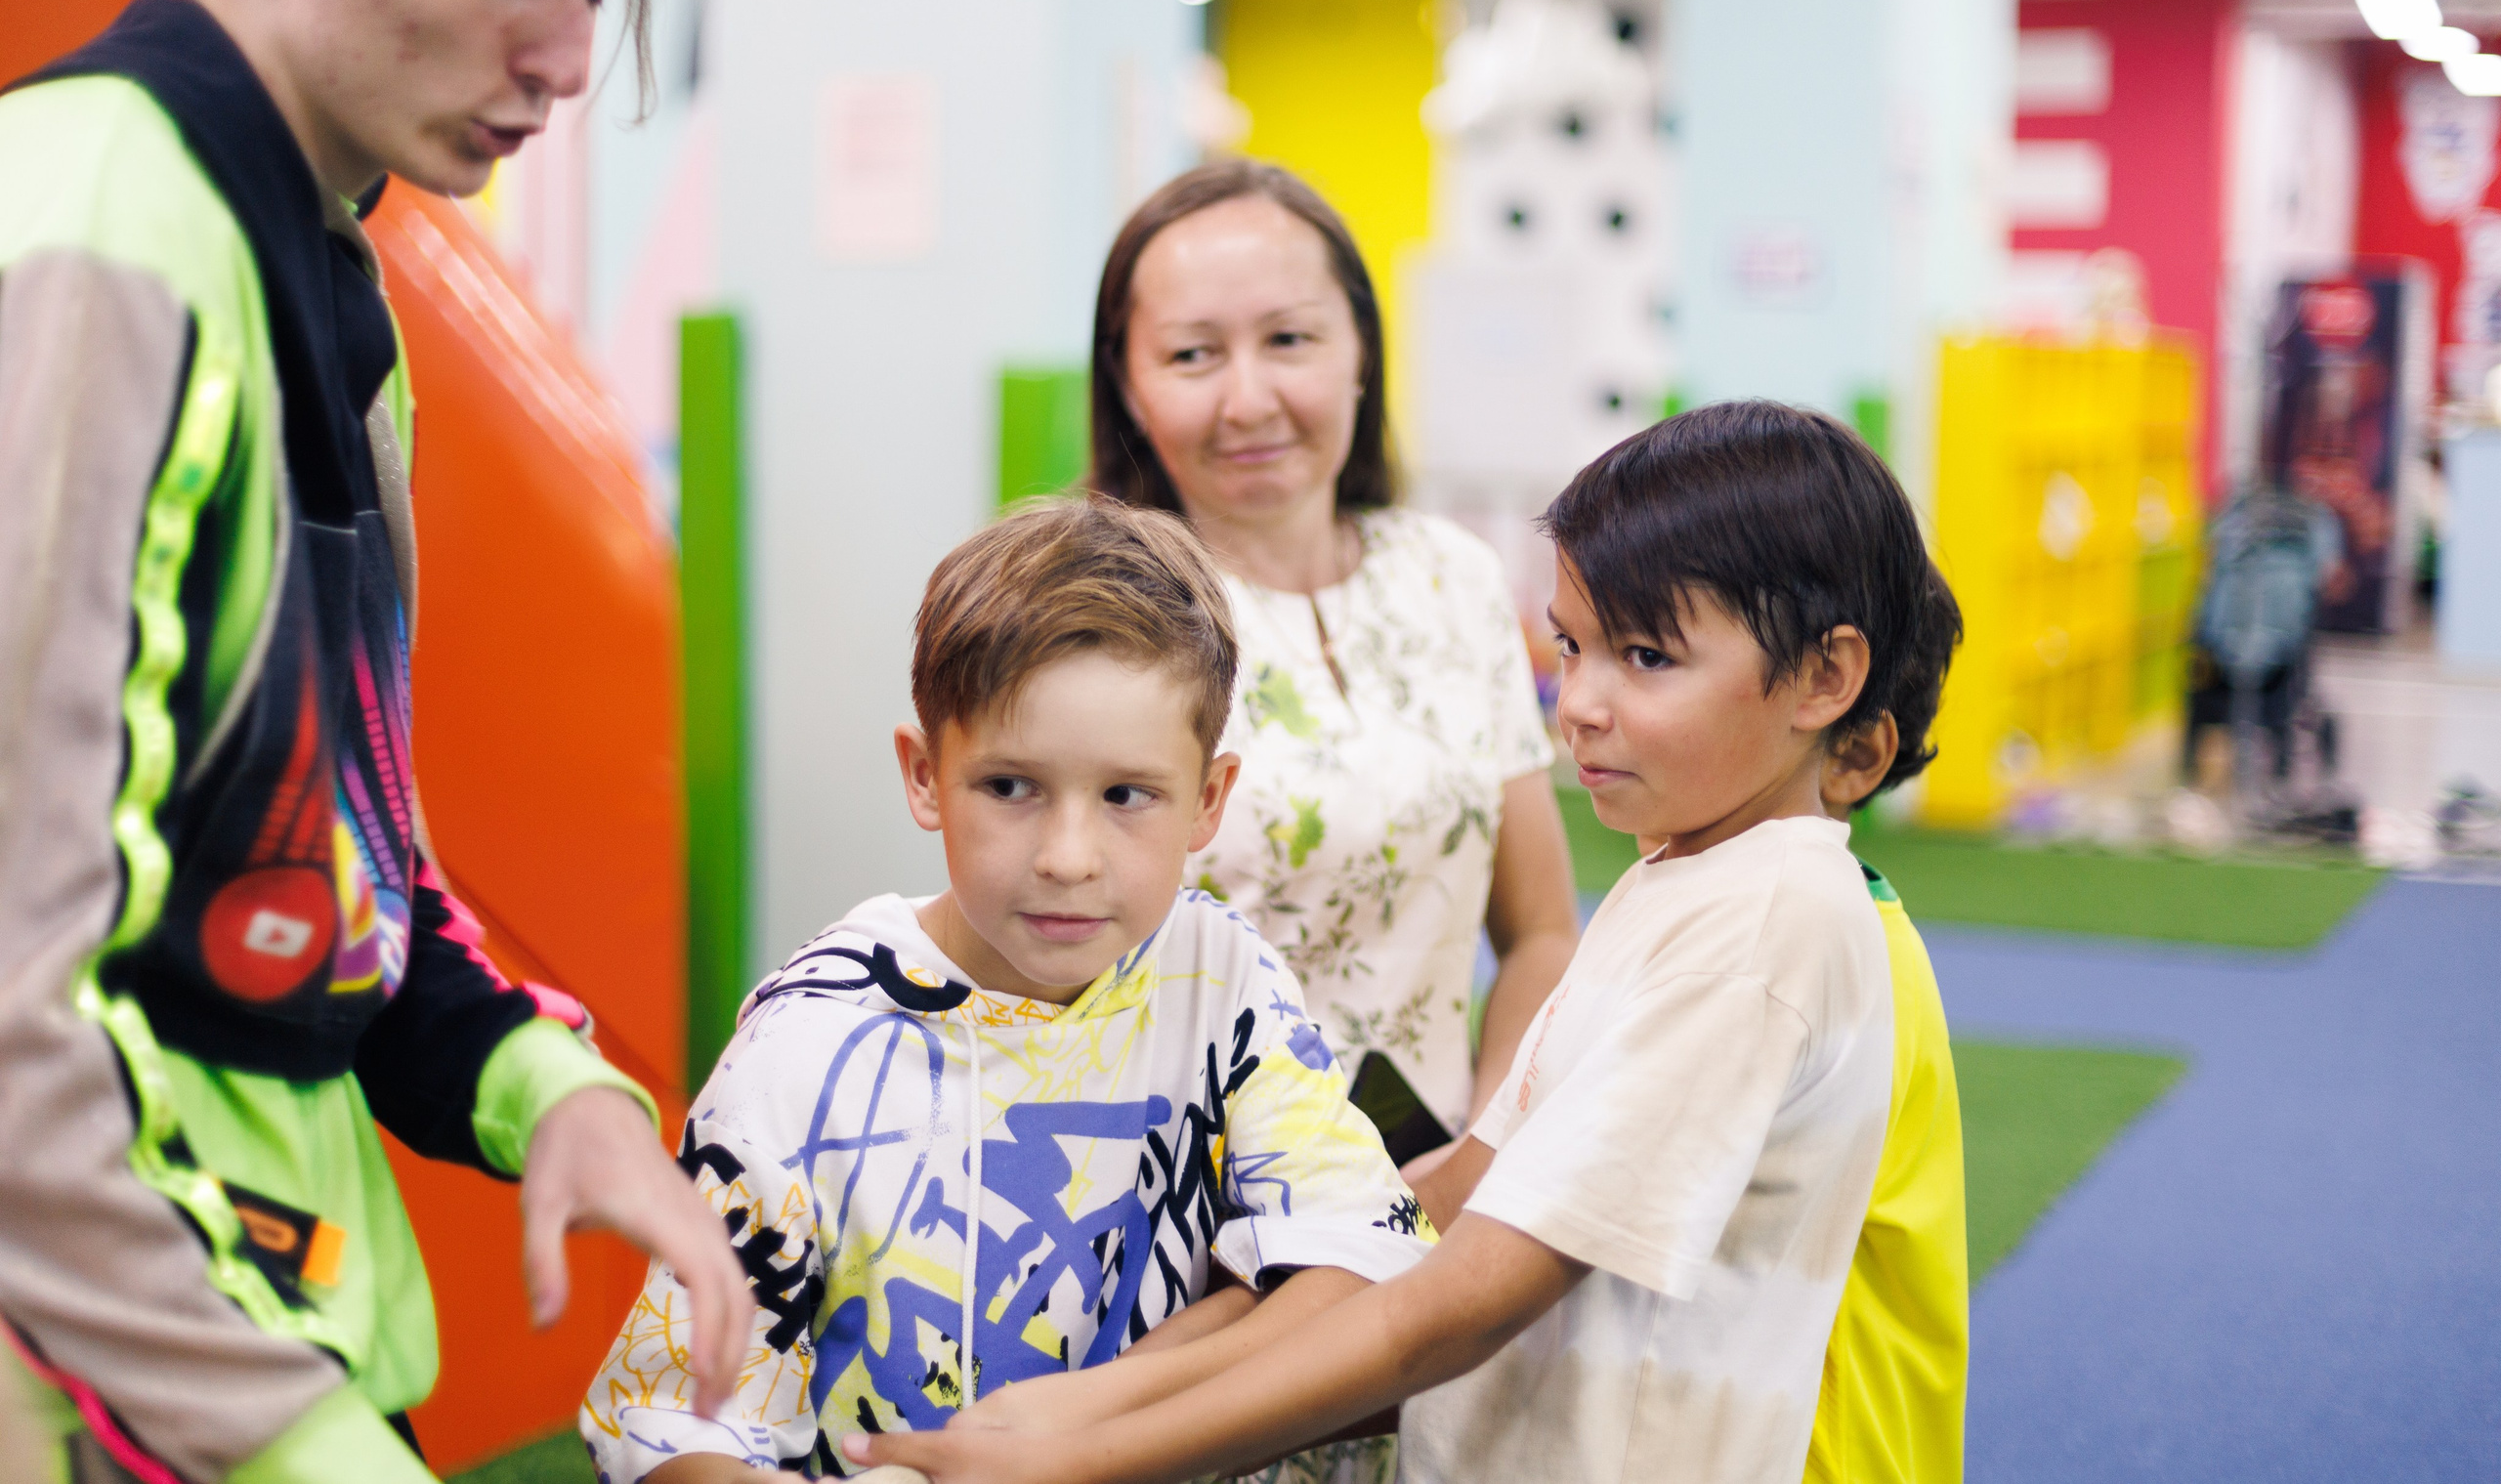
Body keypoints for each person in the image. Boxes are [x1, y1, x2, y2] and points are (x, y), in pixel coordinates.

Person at [0, 0, 750, 1480]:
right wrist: (285, 1439)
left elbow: (338, 863)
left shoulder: (336, 286)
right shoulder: (91, 240)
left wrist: (544, 1084)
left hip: (277, 1344)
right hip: (120, 1383)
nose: (567, 59)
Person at [845, 400, 1958, 1484]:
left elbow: (1454, 1304)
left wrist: (1095, 1453)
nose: (1578, 702)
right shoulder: (1681, 879)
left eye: (1647, 658)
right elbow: (1449, 1192)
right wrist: (1110, 1390)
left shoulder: (1767, 926)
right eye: (1573, 646)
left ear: (1825, 679)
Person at [582, 498, 1434, 1482]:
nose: (1068, 859)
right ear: (924, 776)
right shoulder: (806, 1042)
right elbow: (673, 1420)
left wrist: (1079, 1423)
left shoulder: (1223, 979)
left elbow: (1364, 1261)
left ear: (1208, 799)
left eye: (1126, 796)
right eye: (1011, 788)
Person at [1090, 159, 1580, 1159]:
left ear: (1360, 349)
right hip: (1175, 1195)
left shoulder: (1451, 577)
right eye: (1191, 355)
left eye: (1289, 339)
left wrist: (1475, 1159)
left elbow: (1539, 932)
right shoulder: (1094, 611)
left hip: (1439, 1165)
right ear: (1128, 386)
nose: (1249, 398)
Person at [1807, 564, 1971, 1484]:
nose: (1588, 703)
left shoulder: (1794, 953)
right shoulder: (1861, 919)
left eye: (1654, 658)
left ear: (1857, 751)